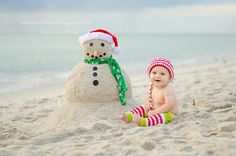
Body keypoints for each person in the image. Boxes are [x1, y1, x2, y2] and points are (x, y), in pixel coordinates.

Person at [120, 57, 179, 127]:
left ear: (169, 78)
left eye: (162, 74)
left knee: (161, 117)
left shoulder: (168, 90)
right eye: (154, 73)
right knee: (142, 108)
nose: (157, 76)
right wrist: (147, 104)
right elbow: (149, 98)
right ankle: (129, 116)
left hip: (168, 113)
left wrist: (155, 112)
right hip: (154, 109)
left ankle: (144, 122)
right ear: (149, 74)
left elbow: (169, 106)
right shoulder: (153, 86)